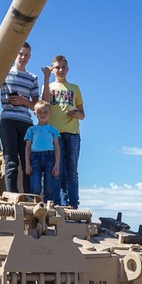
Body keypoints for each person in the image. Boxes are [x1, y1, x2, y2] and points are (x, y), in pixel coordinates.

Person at [42, 55, 84, 208]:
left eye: (63, 67)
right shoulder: (49, 87)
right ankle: (56, 205)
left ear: (68, 69)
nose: (60, 70)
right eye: (57, 67)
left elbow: (83, 114)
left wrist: (76, 114)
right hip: (54, 134)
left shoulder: (75, 88)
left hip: (73, 133)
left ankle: (73, 205)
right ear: (53, 69)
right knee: (56, 171)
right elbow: (44, 104)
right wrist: (46, 79)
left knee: (72, 172)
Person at [0, 42, 40, 193]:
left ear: (30, 57)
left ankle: (28, 195)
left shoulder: (33, 78)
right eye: (20, 54)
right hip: (8, 120)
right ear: (16, 53)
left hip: (26, 123)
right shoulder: (5, 73)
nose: (23, 57)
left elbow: (37, 107)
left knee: (27, 161)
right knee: (11, 161)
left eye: (26, 55)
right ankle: (12, 195)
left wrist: (24, 101)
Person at [24, 101, 60, 203]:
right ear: (35, 113)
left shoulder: (53, 130)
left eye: (45, 112)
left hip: (50, 157)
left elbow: (57, 147)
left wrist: (57, 164)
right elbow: (27, 147)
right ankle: (36, 208)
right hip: (35, 158)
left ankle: (48, 211)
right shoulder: (31, 130)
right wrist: (27, 164)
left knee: (49, 187)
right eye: (39, 112)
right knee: (35, 186)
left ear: (50, 113)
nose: (43, 114)